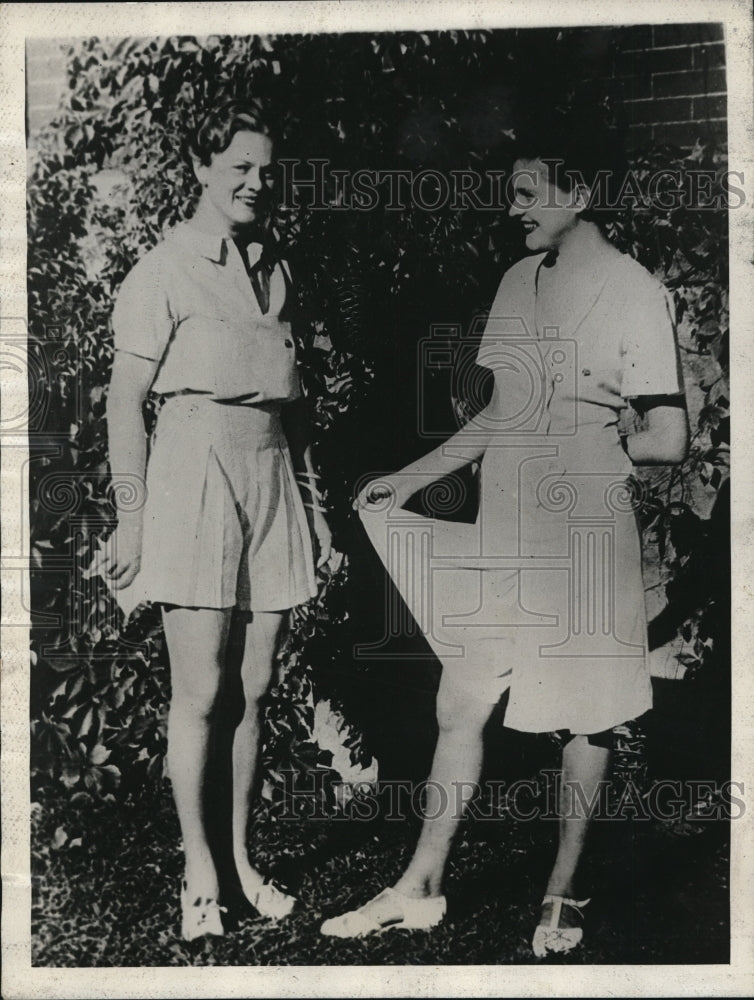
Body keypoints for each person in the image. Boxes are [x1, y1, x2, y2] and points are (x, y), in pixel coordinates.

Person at [321, 116, 688, 955]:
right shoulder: (519, 280)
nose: (512, 207)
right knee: (462, 698)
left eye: (527, 192)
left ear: (580, 193)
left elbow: (667, 436)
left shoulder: (635, 291)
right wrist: (412, 477)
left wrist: (594, 452)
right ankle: (419, 887)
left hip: (585, 532)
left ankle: (565, 895)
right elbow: (501, 411)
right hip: (507, 522)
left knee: (586, 719)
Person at [104, 101, 331, 941]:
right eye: (237, 166)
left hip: (270, 468)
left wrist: (313, 502)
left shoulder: (277, 269)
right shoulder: (163, 270)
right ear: (201, 168)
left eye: (266, 170)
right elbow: (125, 400)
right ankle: (198, 873)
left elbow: (295, 406)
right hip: (193, 472)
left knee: (255, 690)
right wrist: (131, 525)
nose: (255, 182)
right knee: (200, 691)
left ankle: (240, 863)